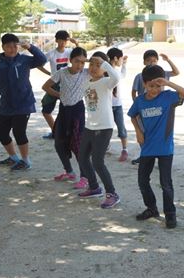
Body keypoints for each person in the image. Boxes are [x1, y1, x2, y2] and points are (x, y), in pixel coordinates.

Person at [127, 65, 184, 229]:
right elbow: (132, 115)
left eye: (158, 85)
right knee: (142, 181)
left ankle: (170, 214)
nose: (155, 89)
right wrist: (138, 131)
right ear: (144, 84)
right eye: (151, 86)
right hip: (147, 147)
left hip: (165, 148)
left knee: (165, 183)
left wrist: (168, 84)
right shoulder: (140, 100)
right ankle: (151, 208)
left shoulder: (168, 97)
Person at [0, 33, 47, 171]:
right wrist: (1, 90)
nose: (12, 49)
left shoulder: (24, 60)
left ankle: (26, 161)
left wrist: (30, 47)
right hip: (6, 104)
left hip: (24, 103)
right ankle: (13, 157)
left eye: (15, 46)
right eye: (8, 46)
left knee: (19, 132)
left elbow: (42, 59)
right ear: (3, 47)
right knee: (1, 132)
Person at [76, 52, 122, 208]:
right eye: (92, 64)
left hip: (104, 126)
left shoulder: (107, 82)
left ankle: (112, 194)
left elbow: (116, 77)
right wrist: (86, 61)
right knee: (82, 158)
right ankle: (94, 187)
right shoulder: (86, 83)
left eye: (98, 65)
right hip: (90, 126)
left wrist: (104, 62)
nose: (94, 68)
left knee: (97, 161)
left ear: (104, 68)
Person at [50, 47, 91, 188]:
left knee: (78, 145)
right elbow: (46, 86)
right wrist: (59, 95)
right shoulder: (62, 72)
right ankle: (69, 171)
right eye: (76, 61)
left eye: (82, 62)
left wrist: (90, 61)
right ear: (70, 60)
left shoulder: (87, 73)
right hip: (64, 111)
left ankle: (85, 177)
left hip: (78, 111)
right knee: (59, 142)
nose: (79, 65)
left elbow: (106, 70)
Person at [130, 50, 180, 165]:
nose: (151, 63)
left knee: (159, 132)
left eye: (154, 60)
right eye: (148, 61)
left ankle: (158, 155)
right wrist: (136, 104)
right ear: (144, 62)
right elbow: (134, 91)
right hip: (144, 109)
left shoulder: (162, 74)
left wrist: (168, 60)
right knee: (144, 132)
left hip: (160, 108)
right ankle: (145, 153)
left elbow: (176, 72)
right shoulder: (140, 76)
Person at [38, 30, 78, 139]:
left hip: (67, 83)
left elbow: (80, 56)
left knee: (68, 110)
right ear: (56, 40)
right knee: (46, 110)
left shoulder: (69, 52)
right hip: (54, 84)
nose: (63, 42)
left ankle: (69, 133)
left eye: (65, 40)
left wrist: (76, 43)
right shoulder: (51, 53)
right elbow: (39, 64)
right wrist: (49, 73)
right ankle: (55, 132)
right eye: (61, 40)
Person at [107, 47, 129, 162]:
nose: (121, 60)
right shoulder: (106, 71)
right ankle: (109, 147)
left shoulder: (114, 71)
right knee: (109, 127)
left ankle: (124, 150)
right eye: (121, 58)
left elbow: (122, 75)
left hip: (116, 105)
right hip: (108, 105)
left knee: (120, 128)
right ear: (115, 58)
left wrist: (124, 64)